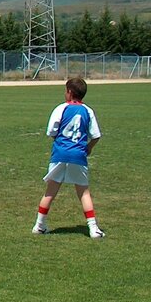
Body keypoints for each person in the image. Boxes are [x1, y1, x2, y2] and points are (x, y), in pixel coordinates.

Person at [33, 77, 105, 238]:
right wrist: (88, 148)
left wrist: (61, 143)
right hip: (78, 155)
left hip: (59, 154)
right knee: (83, 192)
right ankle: (93, 229)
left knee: (50, 191)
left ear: (70, 92)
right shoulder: (88, 110)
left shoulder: (61, 108)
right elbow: (96, 135)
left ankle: (39, 225)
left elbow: (51, 131)